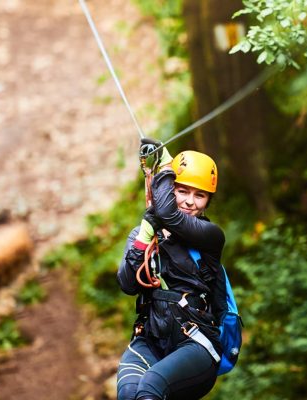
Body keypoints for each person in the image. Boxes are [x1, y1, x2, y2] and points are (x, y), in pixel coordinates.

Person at [115, 149, 228, 400]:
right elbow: (127, 284)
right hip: (150, 340)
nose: (190, 201)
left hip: (196, 343)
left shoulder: (210, 236)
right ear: (171, 190)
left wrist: (165, 166)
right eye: (182, 191)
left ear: (208, 201)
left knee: (150, 387)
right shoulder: (142, 234)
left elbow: (167, 214)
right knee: (129, 393)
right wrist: (145, 236)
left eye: (200, 195)